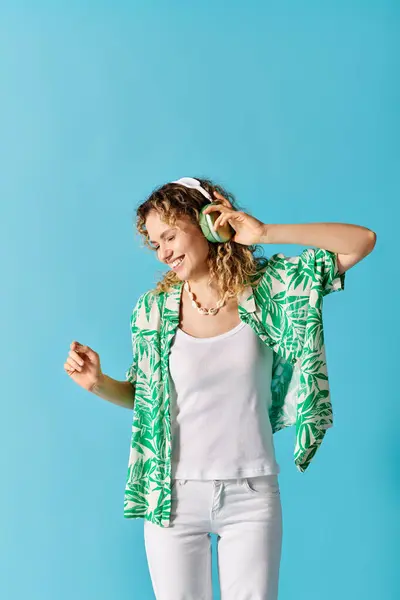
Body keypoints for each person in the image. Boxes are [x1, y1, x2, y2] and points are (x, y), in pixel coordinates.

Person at [64, 176, 376, 600]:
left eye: (170, 235)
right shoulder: (152, 311)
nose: (165, 251)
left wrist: (264, 232)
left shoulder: (270, 290)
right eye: (156, 244)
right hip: (170, 495)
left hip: (251, 492)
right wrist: (99, 384)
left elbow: (361, 241)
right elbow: (148, 401)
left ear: (207, 224)